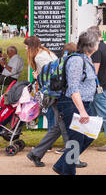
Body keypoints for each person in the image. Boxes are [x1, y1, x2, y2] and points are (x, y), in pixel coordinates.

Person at [52, 31, 99, 175]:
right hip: (72, 104)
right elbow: (73, 88)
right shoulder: (77, 61)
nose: (99, 43)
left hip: (84, 104)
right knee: (75, 142)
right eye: (97, 41)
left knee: (89, 135)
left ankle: (61, 165)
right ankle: (68, 171)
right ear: (91, 45)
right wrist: (82, 111)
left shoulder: (86, 59)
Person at [24, 37, 74, 167]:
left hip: (55, 93)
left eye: (26, 46)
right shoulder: (47, 53)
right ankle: (72, 158)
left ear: (31, 47)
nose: (25, 49)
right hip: (58, 93)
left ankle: (36, 153)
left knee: (59, 125)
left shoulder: (39, 57)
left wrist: (37, 77)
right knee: (63, 124)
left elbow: (50, 76)